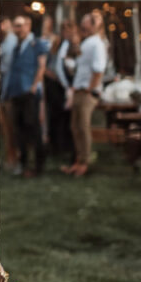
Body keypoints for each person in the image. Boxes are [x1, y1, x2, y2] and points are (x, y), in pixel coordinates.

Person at [1, 15, 48, 177]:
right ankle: (23, 164)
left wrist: (34, 87)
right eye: (15, 26)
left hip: (29, 93)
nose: (17, 29)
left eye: (20, 25)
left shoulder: (37, 44)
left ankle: (38, 166)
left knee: (33, 130)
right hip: (16, 92)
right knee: (19, 130)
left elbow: (42, 67)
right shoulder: (16, 46)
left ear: (28, 25)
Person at [66, 11, 107, 177]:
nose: (82, 25)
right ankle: (78, 161)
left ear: (93, 25)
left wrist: (90, 89)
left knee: (83, 128)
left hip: (86, 92)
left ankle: (85, 163)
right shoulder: (87, 42)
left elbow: (99, 69)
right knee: (75, 127)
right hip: (78, 90)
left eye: (85, 22)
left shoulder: (97, 43)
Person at [44, 19, 77, 166]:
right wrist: (53, 76)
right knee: (55, 116)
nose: (67, 33)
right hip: (54, 85)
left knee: (67, 117)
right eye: (64, 30)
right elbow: (48, 65)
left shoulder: (73, 46)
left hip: (66, 85)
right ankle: (55, 147)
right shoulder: (56, 45)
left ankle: (66, 147)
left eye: (69, 30)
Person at [0, 16, 18, 170]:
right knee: (6, 128)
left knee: (10, 128)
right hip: (5, 89)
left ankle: (13, 159)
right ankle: (9, 158)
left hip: (8, 90)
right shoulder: (6, 41)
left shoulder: (11, 42)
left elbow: (8, 69)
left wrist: (5, 93)